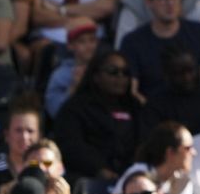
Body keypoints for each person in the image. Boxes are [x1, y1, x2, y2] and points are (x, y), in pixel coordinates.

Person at [119, 0, 200, 96]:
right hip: (149, 111)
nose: (170, 3)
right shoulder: (132, 42)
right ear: (149, 1)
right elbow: (132, 91)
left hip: (196, 110)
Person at [54, 49, 142, 182]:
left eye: (125, 73)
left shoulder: (135, 107)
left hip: (131, 178)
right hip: (87, 177)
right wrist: (99, 169)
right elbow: (71, 145)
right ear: (96, 76)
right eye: (113, 71)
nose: (120, 77)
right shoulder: (75, 108)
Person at [114, 120, 196, 194]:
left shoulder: (183, 180)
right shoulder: (138, 175)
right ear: (170, 152)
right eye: (188, 148)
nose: (194, 153)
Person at [43, 18, 99, 119]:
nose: (89, 46)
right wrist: (73, 88)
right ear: (70, 46)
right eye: (82, 41)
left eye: (92, 40)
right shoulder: (60, 75)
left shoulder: (104, 70)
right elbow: (54, 111)